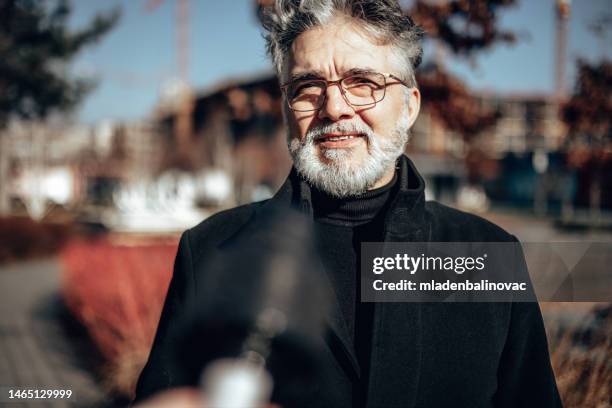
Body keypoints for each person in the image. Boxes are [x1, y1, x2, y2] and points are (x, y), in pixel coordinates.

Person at [134, 1, 561, 407]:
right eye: (307, 86)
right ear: (287, 108)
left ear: (409, 107)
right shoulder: (210, 250)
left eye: (363, 83)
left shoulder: (487, 256)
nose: (334, 108)